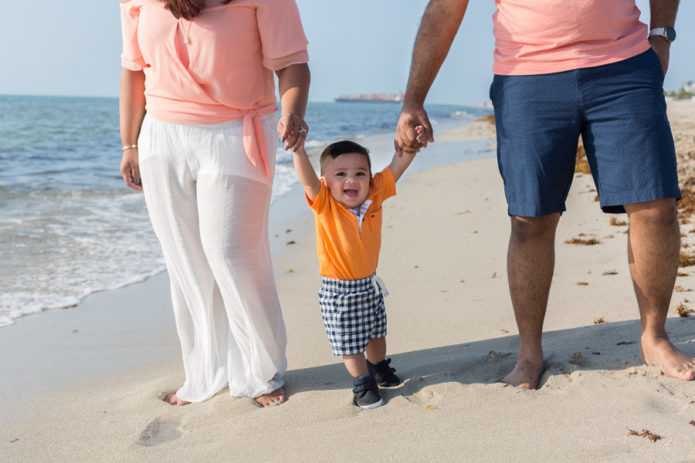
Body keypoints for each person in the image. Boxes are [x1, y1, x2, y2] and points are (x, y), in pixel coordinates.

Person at [397, 0, 695, 389]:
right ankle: (529, 354)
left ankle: (654, 337)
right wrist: (413, 99)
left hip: (624, 64)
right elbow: (444, 10)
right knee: (529, 218)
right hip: (527, 76)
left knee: (655, 205)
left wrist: (662, 35)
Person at [118, 0, 310, 407]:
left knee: (231, 255)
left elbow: (293, 64)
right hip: (161, 138)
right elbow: (134, 70)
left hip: (236, 131)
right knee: (185, 259)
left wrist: (292, 114)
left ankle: (263, 370)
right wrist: (129, 143)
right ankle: (204, 374)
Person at [292, 139, 417, 408]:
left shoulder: (375, 194)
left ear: (369, 177)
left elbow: (396, 168)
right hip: (339, 291)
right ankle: (362, 383)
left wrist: (407, 152)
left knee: (376, 334)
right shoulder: (324, 202)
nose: (352, 180)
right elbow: (307, 180)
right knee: (350, 345)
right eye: (341, 174)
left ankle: (378, 367)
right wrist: (299, 151)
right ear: (325, 180)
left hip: (370, 284)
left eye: (360, 173)